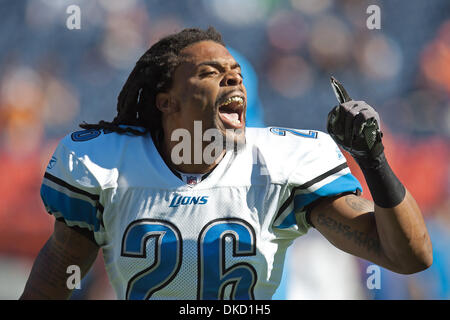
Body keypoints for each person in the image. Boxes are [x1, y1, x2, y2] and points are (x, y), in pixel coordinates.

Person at [20, 27, 432, 300]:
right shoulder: (108, 168)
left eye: (235, 73)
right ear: (167, 100)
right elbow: (54, 280)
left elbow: (409, 257)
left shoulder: (279, 165)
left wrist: (373, 161)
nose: (232, 79)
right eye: (212, 72)